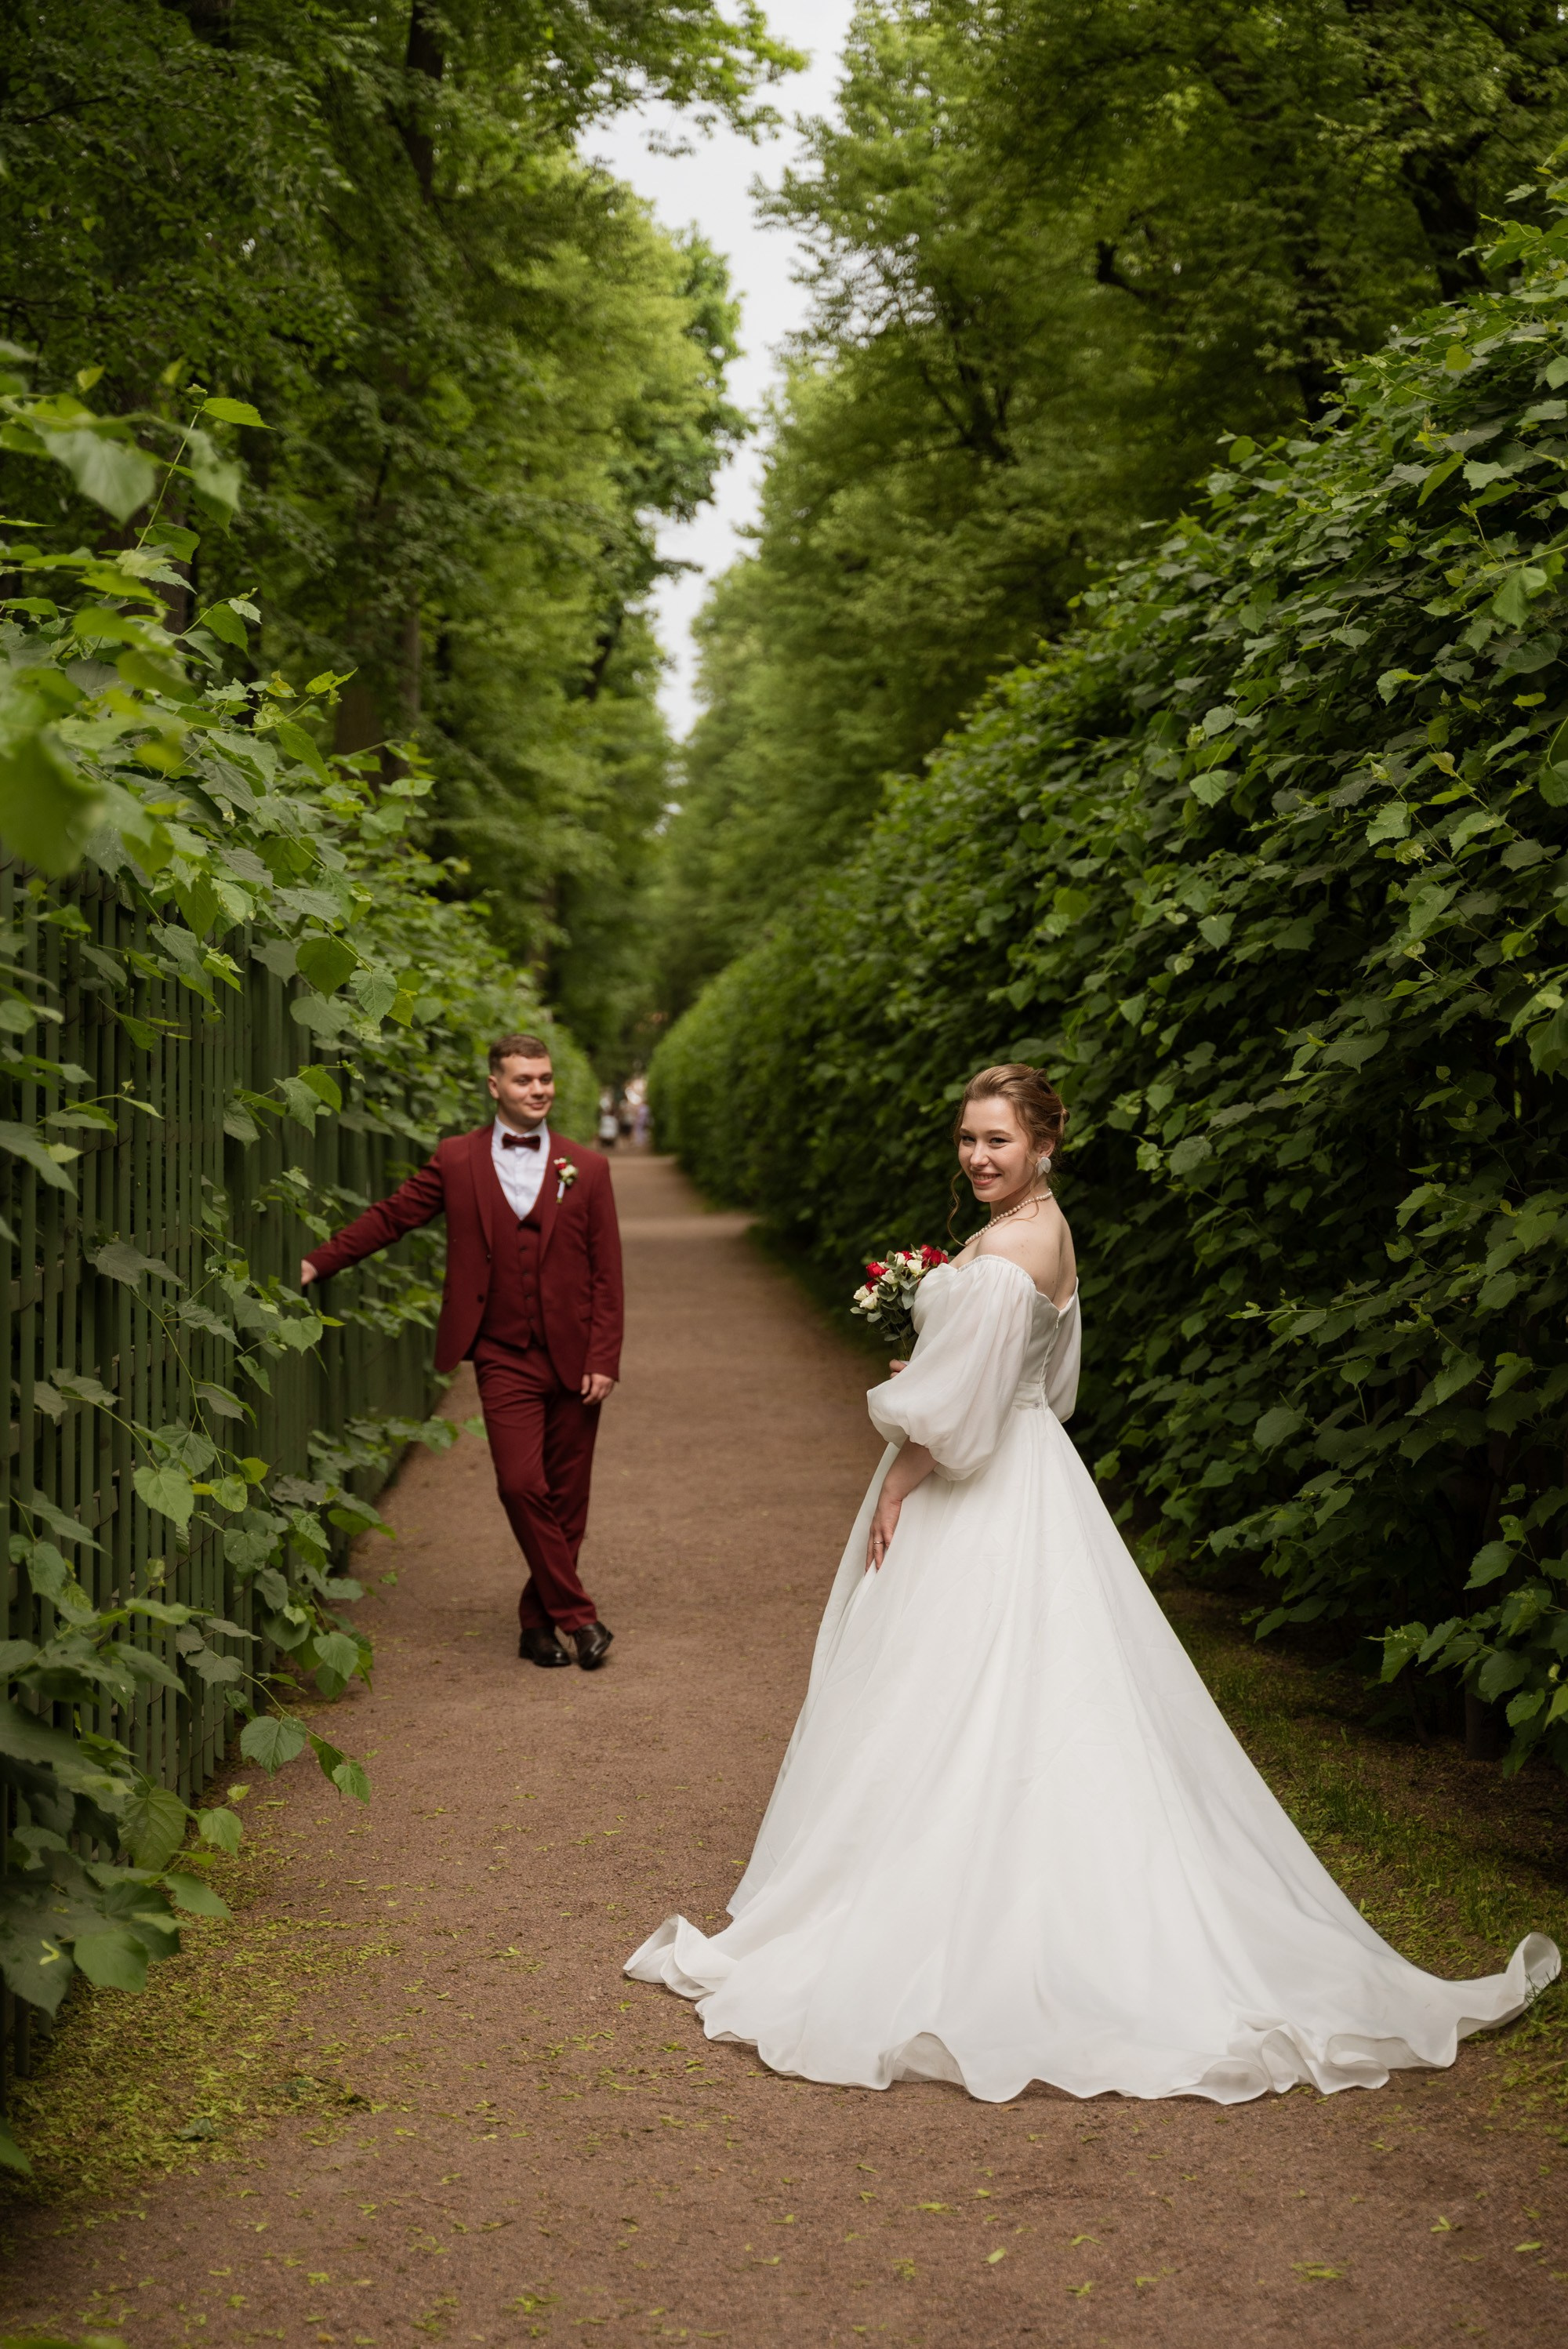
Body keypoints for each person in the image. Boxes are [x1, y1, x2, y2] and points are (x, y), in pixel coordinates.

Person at [626, 1062, 1559, 2102]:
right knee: (1040, 1690)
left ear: (1044, 1145)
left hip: (980, 1488)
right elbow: (1047, 1388)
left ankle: (956, 1908)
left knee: (951, 1690)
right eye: (969, 1140)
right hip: (1038, 1476)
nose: (980, 1157)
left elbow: (960, 1419)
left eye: (999, 1141)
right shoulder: (1052, 1231)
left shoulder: (1005, 1252)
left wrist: (900, 1468)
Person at [301, 1035, 622, 1671]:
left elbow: (606, 1274)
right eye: (525, 1079)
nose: (539, 1089)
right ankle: (579, 1618)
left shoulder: (588, 1167)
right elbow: (393, 1217)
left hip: (575, 1353)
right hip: (501, 1351)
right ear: (494, 1086)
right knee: (520, 1483)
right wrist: (318, 1261)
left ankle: (538, 1628)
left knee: (568, 1497)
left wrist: (604, 1358)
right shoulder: (456, 1160)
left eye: (546, 1078)